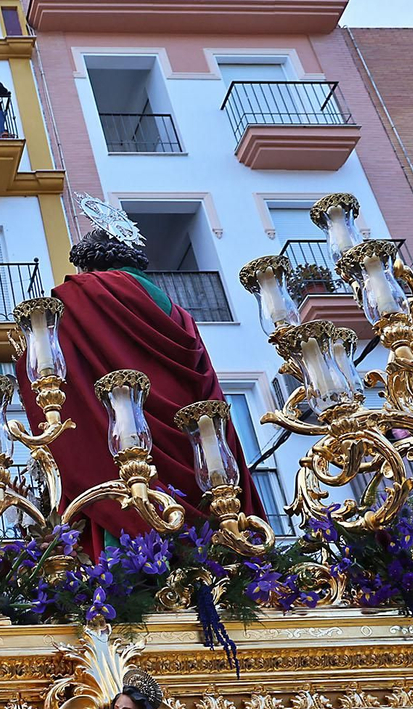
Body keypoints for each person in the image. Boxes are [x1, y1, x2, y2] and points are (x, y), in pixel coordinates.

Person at [13, 199, 263, 558]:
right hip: (202, 470)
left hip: (123, 467)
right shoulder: (179, 314)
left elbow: (51, 365)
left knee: (126, 558)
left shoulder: (81, 295)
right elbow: (207, 393)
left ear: (88, 264)